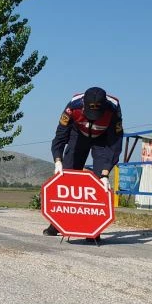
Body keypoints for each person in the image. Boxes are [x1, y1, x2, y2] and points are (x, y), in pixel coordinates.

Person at [42, 86, 123, 238]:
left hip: (103, 138)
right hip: (78, 135)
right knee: (68, 176)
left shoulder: (113, 110)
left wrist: (105, 173)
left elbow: (115, 144)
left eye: (96, 114)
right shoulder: (73, 106)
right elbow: (60, 136)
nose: (93, 117)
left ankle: (93, 230)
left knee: (99, 181)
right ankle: (57, 224)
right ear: (84, 105)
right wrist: (58, 161)